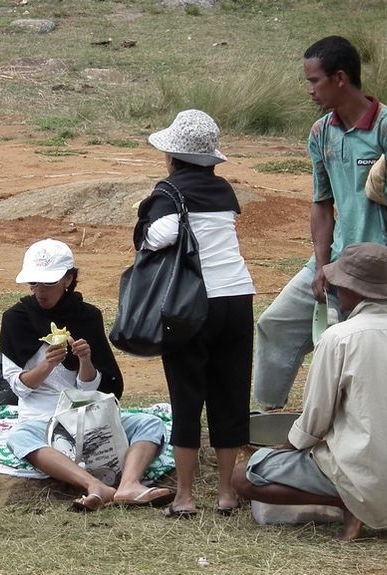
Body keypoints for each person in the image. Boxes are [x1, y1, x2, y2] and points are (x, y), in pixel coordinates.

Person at [253, 35, 387, 410]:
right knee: (276, 322)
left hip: (379, 265)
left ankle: (361, 425)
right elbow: (322, 203)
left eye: (314, 80)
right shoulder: (321, 132)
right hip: (334, 259)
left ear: (341, 78)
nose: (309, 90)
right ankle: (266, 415)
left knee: (362, 351)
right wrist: (319, 265)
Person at [233, 243, 387, 542]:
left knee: (243, 477)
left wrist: (285, 448)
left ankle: (350, 505)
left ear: (350, 290)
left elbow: (315, 421)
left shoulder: (339, 338)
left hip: (361, 469)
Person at [135, 110, 256, 518]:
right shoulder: (224, 192)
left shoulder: (169, 191)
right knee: (230, 394)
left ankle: (185, 496)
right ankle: (226, 494)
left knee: (187, 396)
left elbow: (159, 237)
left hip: (191, 304)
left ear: (171, 155)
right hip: (237, 298)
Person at [1, 239, 174, 512]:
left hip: (88, 413)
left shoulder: (87, 316)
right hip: (43, 419)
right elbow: (18, 386)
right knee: (18, 437)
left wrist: (85, 360)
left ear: (68, 279)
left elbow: (95, 388)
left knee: (150, 423)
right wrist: (45, 366)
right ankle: (94, 485)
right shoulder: (15, 318)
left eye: (48, 283)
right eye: (35, 284)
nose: (40, 291)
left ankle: (129, 483)